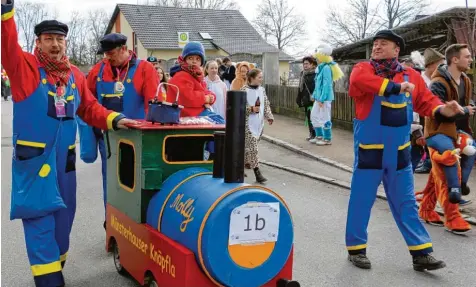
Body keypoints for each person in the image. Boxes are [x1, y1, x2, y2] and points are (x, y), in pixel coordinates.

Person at [0, 1, 137, 286]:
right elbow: (7, 45)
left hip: (65, 163)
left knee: (64, 223)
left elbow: (89, 108)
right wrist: (6, 12)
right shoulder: (24, 66)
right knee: (39, 219)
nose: (55, 44)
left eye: (59, 39)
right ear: (38, 42)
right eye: (48, 39)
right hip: (34, 163)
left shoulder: (73, 74)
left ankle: (55, 264)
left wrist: (115, 119)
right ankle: (49, 279)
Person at [345, 29, 465, 271]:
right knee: (362, 200)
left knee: (407, 202)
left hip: (399, 153)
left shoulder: (411, 75)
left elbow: (426, 102)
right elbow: (359, 83)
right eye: (375, 44)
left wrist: (443, 110)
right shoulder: (363, 69)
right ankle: (356, 249)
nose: (377, 47)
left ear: (396, 49)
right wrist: (395, 88)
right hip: (370, 152)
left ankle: (421, 253)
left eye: (383, 44)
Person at [86, 33, 158, 228]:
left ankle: (134, 225)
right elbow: (87, 100)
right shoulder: (98, 71)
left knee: (133, 184)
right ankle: (111, 222)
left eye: (111, 53)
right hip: (108, 138)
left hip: (136, 139)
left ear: (124, 49)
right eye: (105, 54)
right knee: (110, 181)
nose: (107, 58)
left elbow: (152, 105)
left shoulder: (145, 69)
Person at [418, 43, 475, 234]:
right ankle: (452, 215)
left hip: (457, 131)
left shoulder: (466, 80)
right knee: (450, 160)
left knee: (469, 150)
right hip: (437, 132)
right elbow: (437, 113)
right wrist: (464, 110)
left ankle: (427, 208)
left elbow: (467, 103)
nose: (470, 59)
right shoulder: (438, 83)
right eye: (467, 56)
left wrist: (468, 107)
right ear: (455, 59)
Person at [166, 41, 224, 124]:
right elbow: (188, 97)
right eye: (190, 58)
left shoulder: (194, 74)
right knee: (219, 122)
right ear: (185, 59)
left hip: (194, 111)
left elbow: (203, 90)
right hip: (186, 113)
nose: (194, 61)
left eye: (198, 59)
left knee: (220, 120)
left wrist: (211, 96)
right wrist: (205, 98)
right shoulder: (181, 75)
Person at [241, 68, 274, 183]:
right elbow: (239, 108)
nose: (261, 79)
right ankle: (257, 173)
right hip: (247, 125)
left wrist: (269, 116)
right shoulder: (243, 91)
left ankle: (240, 166)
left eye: (261, 77)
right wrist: (250, 109)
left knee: (247, 149)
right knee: (253, 149)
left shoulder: (262, 90)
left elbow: (266, 104)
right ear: (251, 78)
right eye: (259, 77)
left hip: (259, 124)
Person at [310, 43, 344, 145]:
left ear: (322, 57)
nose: (316, 59)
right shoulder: (321, 68)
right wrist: (316, 96)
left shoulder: (326, 68)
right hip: (319, 98)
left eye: (317, 57)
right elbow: (318, 86)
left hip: (324, 98)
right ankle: (319, 135)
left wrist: (322, 99)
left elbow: (327, 85)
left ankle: (327, 138)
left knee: (325, 117)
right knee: (314, 116)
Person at [295, 56, 317, 142]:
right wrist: (299, 98)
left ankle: (316, 134)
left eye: (307, 64)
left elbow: (315, 87)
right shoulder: (302, 73)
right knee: (308, 116)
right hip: (305, 98)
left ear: (312, 64)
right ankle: (311, 133)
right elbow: (301, 87)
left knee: (314, 117)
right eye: (304, 64)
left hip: (313, 99)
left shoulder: (315, 73)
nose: (305, 65)